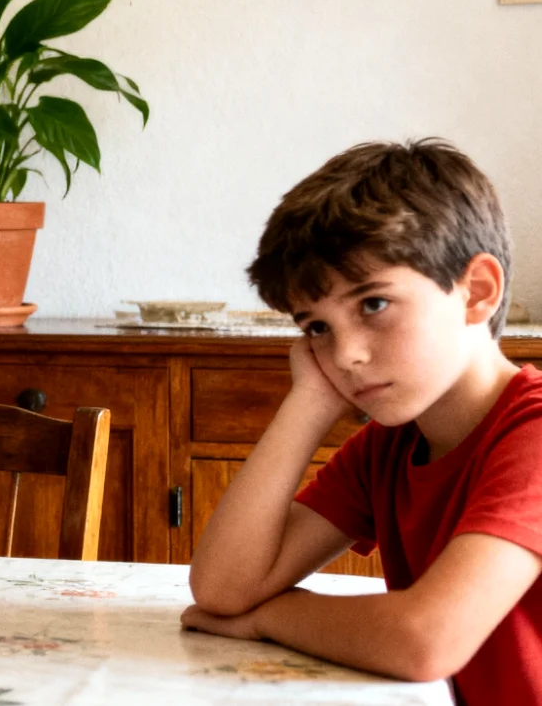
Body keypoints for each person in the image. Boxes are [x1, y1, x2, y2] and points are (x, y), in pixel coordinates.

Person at [182, 140, 542, 700]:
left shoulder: (534, 434)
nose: (344, 355)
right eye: (316, 328)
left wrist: (270, 619)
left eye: (372, 304)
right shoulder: (390, 445)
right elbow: (224, 588)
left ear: (476, 292)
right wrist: (310, 401)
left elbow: (426, 641)